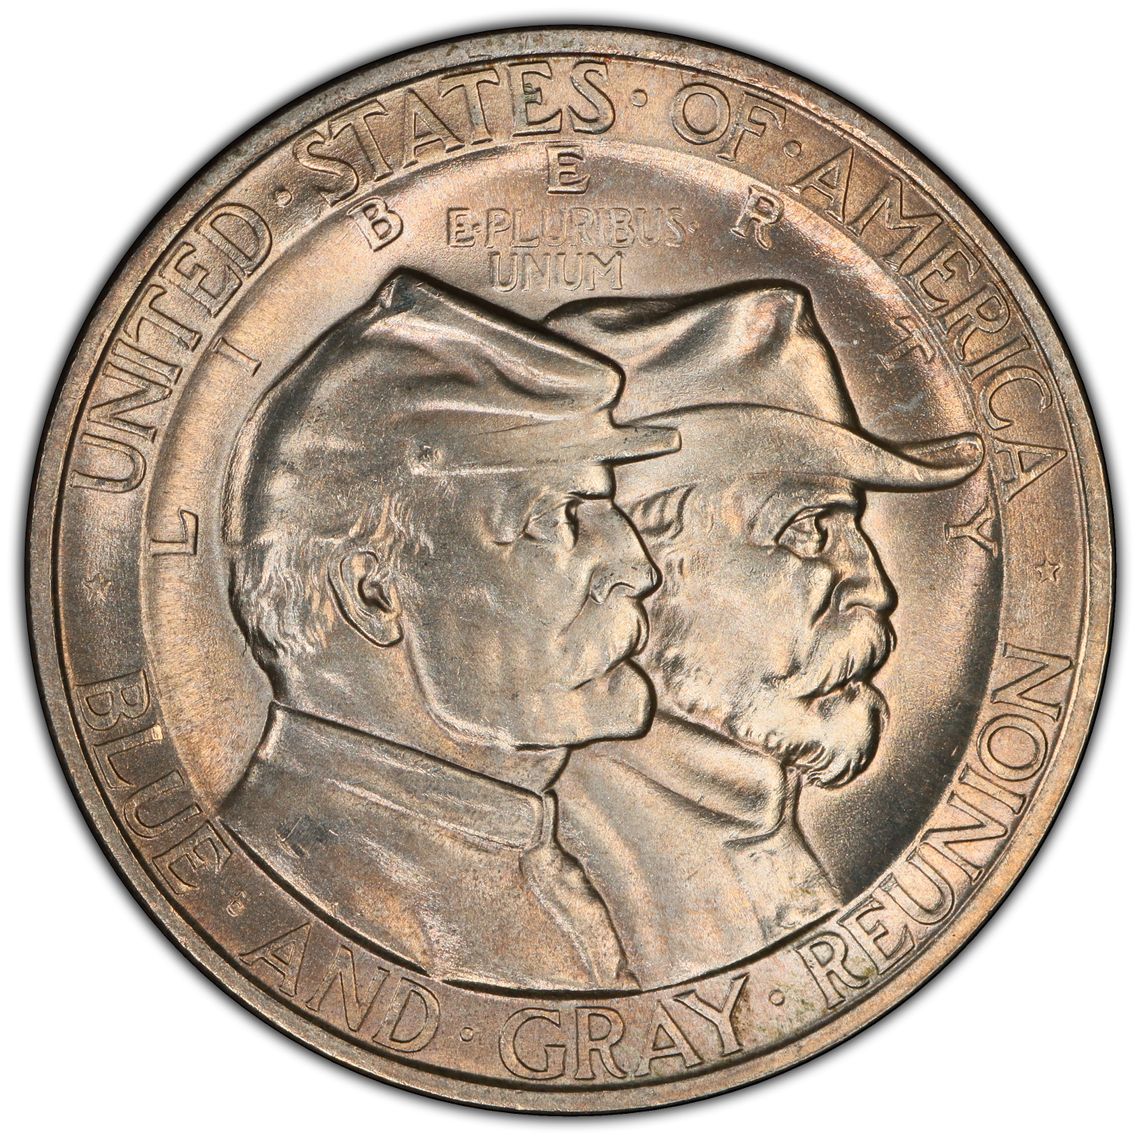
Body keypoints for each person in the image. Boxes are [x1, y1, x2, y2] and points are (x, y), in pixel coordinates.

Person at [221, 271, 678, 990]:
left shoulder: (518, 853)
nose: (636, 568)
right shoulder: (317, 887)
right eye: (555, 516)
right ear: (374, 594)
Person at [546, 282, 983, 988]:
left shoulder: (753, 820)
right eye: (805, 530)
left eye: (852, 529)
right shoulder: (560, 869)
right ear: (640, 566)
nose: (872, 586)